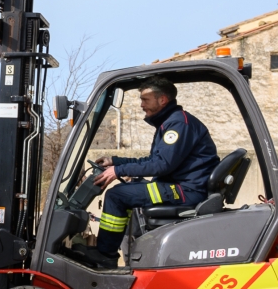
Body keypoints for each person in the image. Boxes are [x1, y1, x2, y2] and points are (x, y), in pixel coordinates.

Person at [87, 76, 219, 269]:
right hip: (179, 186)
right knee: (128, 190)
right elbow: (153, 161)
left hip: (185, 191)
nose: (141, 105)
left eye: (145, 100)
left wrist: (118, 171)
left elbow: (161, 165)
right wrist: (115, 162)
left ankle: (105, 255)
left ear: (162, 100)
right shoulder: (170, 123)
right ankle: (111, 251)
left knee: (117, 196)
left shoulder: (178, 125)